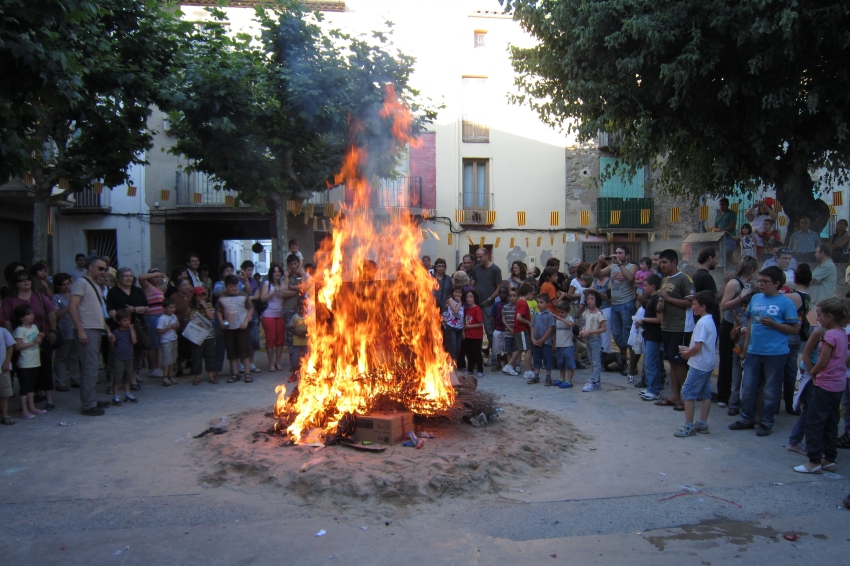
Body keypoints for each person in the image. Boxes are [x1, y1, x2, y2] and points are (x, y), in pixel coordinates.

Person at [729, 266, 800, 436]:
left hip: (775, 353)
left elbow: (795, 329)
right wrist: (745, 349)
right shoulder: (756, 299)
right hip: (754, 351)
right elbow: (751, 324)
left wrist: (774, 324)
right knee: (748, 387)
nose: (760, 284)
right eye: (759, 281)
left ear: (776, 283)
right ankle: (746, 418)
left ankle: (766, 422)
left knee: (770, 390)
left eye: (765, 281)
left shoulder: (786, 303)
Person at [794, 298, 850, 473]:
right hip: (838, 383)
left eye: (819, 315)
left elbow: (823, 361)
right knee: (831, 421)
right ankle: (829, 458)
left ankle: (814, 461)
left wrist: (813, 372)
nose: (817, 319)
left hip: (825, 383)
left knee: (814, 421)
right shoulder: (842, 333)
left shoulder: (830, 336)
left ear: (830, 316)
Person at [2, 268, 58, 411]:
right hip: (20, 339)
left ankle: (48, 399)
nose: (26, 281)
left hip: (41, 336)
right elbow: (7, 320)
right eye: (21, 280)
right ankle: (25, 404)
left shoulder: (39, 296)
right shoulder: (9, 300)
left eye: (27, 279)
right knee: (24, 373)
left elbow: (51, 312)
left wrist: (53, 330)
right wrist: (12, 340)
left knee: (45, 368)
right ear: (15, 283)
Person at [68, 255, 115, 416]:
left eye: (105, 269)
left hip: (95, 328)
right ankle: (88, 405)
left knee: (93, 367)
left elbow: (98, 312)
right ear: (91, 267)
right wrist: (80, 330)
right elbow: (72, 307)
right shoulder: (81, 283)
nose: (103, 272)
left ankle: (91, 399)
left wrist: (107, 330)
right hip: (87, 329)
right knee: (89, 367)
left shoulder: (94, 285)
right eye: (101, 268)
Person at [655, 249, 696, 411]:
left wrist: (668, 298)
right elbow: (664, 300)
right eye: (660, 262)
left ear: (674, 262)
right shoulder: (664, 280)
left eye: (665, 262)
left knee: (679, 362)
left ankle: (687, 398)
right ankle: (674, 395)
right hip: (667, 325)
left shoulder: (684, 279)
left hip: (681, 326)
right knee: (672, 362)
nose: (661, 265)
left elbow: (691, 303)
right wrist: (661, 305)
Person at [674, 291, 718, 437]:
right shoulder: (710, 321)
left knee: (687, 392)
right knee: (706, 393)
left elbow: (698, 346)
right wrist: (690, 349)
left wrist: (687, 354)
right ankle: (702, 423)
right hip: (707, 363)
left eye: (694, 304)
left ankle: (689, 425)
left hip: (698, 364)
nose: (692, 307)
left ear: (703, 306)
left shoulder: (702, 323)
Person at [718, 256, 759, 410]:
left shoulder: (750, 284)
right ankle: (723, 395)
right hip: (730, 324)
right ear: (752, 270)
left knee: (738, 356)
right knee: (726, 359)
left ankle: (738, 396)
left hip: (742, 327)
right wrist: (740, 297)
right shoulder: (735, 283)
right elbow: (724, 305)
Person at [593, 246, 638, 374]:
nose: (617, 255)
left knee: (629, 334)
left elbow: (630, 278)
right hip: (615, 304)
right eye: (616, 253)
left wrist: (620, 264)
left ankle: (632, 366)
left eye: (620, 253)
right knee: (617, 335)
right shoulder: (612, 267)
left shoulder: (632, 266)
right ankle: (622, 362)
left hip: (627, 303)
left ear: (627, 256)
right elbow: (596, 274)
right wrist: (600, 263)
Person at [106, 267, 148, 390]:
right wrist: (122, 321)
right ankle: (113, 383)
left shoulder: (138, 291)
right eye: (126, 276)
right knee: (116, 355)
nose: (129, 278)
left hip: (136, 327)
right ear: (119, 278)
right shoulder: (113, 292)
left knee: (136, 354)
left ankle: (132, 380)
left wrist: (134, 309)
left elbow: (146, 308)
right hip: (119, 328)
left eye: (130, 276)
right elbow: (111, 310)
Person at [216, 274, 254, 383]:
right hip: (229, 328)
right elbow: (219, 310)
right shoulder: (222, 297)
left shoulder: (243, 295)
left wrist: (246, 321)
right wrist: (221, 321)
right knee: (232, 351)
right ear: (226, 287)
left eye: (235, 286)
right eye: (230, 286)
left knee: (245, 350)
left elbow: (250, 309)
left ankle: (247, 373)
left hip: (242, 327)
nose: (233, 288)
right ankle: (235, 373)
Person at [12, 304, 45, 420]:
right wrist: (34, 342)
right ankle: (24, 409)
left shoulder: (34, 327)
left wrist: (40, 337)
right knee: (24, 386)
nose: (32, 316)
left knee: (31, 386)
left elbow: (38, 342)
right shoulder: (19, 330)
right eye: (28, 314)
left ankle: (32, 407)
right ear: (21, 317)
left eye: (32, 313)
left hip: (35, 361)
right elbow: (18, 346)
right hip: (25, 362)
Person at [470, 248, 502, 366]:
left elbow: (499, 288)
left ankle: (494, 357)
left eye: (480, 257)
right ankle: (475, 357)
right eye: (477, 257)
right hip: (476, 305)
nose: (478, 259)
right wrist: (471, 296)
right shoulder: (475, 269)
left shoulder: (495, 269)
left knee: (490, 331)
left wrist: (489, 299)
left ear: (487, 255)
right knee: (475, 331)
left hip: (489, 305)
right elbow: (472, 285)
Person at [280, 254, 310, 373]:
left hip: (302, 309)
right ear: (288, 265)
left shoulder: (303, 275)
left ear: (298, 264)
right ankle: (294, 364)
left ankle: (305, 363)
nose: (293, 266)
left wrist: (292, 288)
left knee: (305, 335)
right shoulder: (285, 277)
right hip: (289, 308)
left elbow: (307, 288)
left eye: (295, 263)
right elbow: (283, 292)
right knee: (291, 337)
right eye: (291, 264)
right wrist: (298, 290)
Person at [637, 275, 664, 401]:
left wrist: (644, 320)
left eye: (646, 285)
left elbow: (659, 319)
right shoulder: (652, 299)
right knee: (650, 362)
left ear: (653, 287)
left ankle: (654, 390)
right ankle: (650, 387)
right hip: (649, 334)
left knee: (651, 363)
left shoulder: (656, 299)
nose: (644, 288)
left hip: (654, 335)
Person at [138, 268, 166, 379]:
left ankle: (156, 367)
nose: (158, 278)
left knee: (156, 344)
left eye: (158, 277)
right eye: (155, 276)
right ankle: (152, 369)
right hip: (152, 317)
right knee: (152, 344)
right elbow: (140, 277)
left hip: (159, 316)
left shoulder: (158, 288)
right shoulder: (147, 287)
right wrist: (157, 273)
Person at [187, 287, 217, 385]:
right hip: (197, 335)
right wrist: (190, 319)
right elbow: (186, 321)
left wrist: (205, 306)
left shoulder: (209, 305)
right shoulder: (191, 307)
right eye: (199, 295)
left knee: (210, 355)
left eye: (203, 295)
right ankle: (197, 376)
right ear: (195, 296)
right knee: (197, 356)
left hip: (209, 335)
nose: (201, 297)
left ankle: (211, 376)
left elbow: (212, 317)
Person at [260, 263, 286, 372]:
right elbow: (263, 298)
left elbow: (286, 294)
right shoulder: (267, 283)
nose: (277, 273)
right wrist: (274, 291)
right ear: (271, 273)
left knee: (280, 340)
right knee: (271, 339)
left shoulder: (283, 283)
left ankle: (278, 362)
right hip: (268, 314)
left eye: (279, 271)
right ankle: (271, 363)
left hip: (280, 314)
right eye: (275, 271)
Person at [580, 288, 607, 392]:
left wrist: (590, 332)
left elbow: (603, 328)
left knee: (596, 362)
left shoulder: (599, 314)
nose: (589, 301)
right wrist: (583, 331)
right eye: (587, 299)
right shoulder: (586, 313)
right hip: (588, 339)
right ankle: (596, 379)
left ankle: (594, 381)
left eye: (592, 299)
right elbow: (586, 325)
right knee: (592, 360)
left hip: (595, 339)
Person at [109, 310, 138, 406]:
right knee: (117, 378)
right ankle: (115, 396)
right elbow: (112, 346)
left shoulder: (130, 331)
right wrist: (112, 341)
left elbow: (134, 341)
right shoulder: (116, 332)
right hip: (119, 358)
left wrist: (132, 329)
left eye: (128, 320)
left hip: (129, 357)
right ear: (119, 321)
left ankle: (127, 393)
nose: (127, 322)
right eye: (124, 320)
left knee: (128, 377)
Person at [527, 293, 556, 385]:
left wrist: (543, 339)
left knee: (547, 359)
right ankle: (536, 376)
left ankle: (548, 377)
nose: (539, 304)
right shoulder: (536, 314)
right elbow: (532, 326)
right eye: (538, 302)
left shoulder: (549, 315)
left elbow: (550, 328)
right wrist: (532, 338)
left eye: (541, 302)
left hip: (546, 342)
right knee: (536, 358)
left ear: (547, 303)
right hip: (536, 341)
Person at [507, 283, 534, 378]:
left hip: (520, 329)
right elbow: (519, 317)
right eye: (532, 294)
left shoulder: (520, 302)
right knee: (528, 349)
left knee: (520, 349)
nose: (532, 296)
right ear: (528, 293)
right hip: (522, 329)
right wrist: (528, 322)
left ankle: (509, 365)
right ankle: (527, 371)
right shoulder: (523, 303)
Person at [692, 247, 722, 331]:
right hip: (708, 319)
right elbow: (715, 298)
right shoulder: (706, 277)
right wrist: (726, 283)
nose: (717, 262)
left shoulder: (697, 274)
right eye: (716, 258)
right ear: (710, 258)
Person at [171, 277, 195, 378]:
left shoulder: (192, 295)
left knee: (192, 347)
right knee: (180, 348)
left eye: (188, 285)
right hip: (180, 326)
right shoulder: (174, 297)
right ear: (179, 287)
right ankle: (179, 368)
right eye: (184, 285)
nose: (187, 287)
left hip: (192, 326)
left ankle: (193, 365)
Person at [552, 300, 575, 388]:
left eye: (562, 312)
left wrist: (561, 319)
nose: (560, 314)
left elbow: (571, 325)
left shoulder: (569, 318)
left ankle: (569, 380)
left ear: (568, 312)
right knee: (561, 363)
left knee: (570, 363)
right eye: (559, 312)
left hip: (568, 345)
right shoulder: (557, 320)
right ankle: (561, 378)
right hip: (559, 345)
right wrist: (554, 343)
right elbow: (556, 333)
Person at [461, 289, 484, 378]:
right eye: (467, 297)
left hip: (476, 336)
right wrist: (464, 331)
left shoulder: (477, 309)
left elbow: (480, 323)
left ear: (474, 298)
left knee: (477, 353)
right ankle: (470, 369)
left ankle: (480, 370)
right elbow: (464, 322)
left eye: (470, 297)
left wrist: (470, 327)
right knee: (469, 353)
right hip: (468, 335)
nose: (468, 299)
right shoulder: (466, 309)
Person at [157, 299, 180, 387]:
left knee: (172, 359)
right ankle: (165, 377)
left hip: (174, 339)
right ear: (164, 308)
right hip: (165, 341)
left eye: (174, 307)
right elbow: (158, 331)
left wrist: (175, 327)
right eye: (170, 307)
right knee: (167, 360)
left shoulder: (174, 317)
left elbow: (177, 327)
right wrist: (168, 327)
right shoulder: (162, 319)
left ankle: (171, 376)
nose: (173, 309)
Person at [443, 286, 465, 368]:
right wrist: (459, 303)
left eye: (460, 292)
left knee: (458, 348)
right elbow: (455, 311)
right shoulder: (451, 300)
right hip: (451, 327)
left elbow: (462, 317)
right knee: (453, 348)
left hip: (459, 328)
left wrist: (463, 331)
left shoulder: (462, 303)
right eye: (456, 292)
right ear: (452, 293)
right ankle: (452, 368)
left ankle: (453, 366)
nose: (458, 294)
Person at [288, 297, 309, 376]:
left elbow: (310, 328)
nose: (302, 306)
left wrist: (304, 332)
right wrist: (298, 333)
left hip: (306, 342)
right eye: (300, 304)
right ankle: (295, 369)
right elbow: (291, 328)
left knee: (307, 356)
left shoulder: (309, 317)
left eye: (304, 304)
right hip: (296, 342)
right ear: (297, 305)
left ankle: (306, 369)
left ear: (307, 306)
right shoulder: (295, 317)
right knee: (295, 356)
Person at [489, 286, 509, 371]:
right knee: (497, 347)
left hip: (507, 329)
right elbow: (493, 317)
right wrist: (494, 328)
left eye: (504, 293)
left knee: (507, 347)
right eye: (500, 293)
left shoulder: (510, 305)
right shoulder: (496, 305)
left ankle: (507, 363)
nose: (502, 295)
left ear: (507, 294)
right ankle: (498, 363)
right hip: (498, 328)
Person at [500, 288, 518, 376]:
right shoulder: (505, 307)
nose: (512, 298)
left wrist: (515, 329)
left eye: (514, 296)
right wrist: (510, 329)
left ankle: (517, 365)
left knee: (517, 349)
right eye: (510, 296)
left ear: (518, 297)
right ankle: (510, 366)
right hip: (508, 332)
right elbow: (503, 319)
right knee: (508, 350)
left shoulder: (519, 306)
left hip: (517, 331)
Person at [714, 197, 738, 263]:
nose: (721, 206)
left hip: (730, 238)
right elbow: (714, 228)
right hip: (720, 239)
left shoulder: (732, 213)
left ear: (727, 205)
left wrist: (724, 231)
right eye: (720, 204)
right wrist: (721, 231)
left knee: (728, 255)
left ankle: (732, 268)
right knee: (720, 256)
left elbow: (732, 225)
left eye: (723, 204)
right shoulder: (718, 216)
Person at [0, 324, 15, 425]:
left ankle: (5, 415)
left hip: (2, 368)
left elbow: (10, 346)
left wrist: (7, 362)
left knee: (4, 393)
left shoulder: (3, 331)